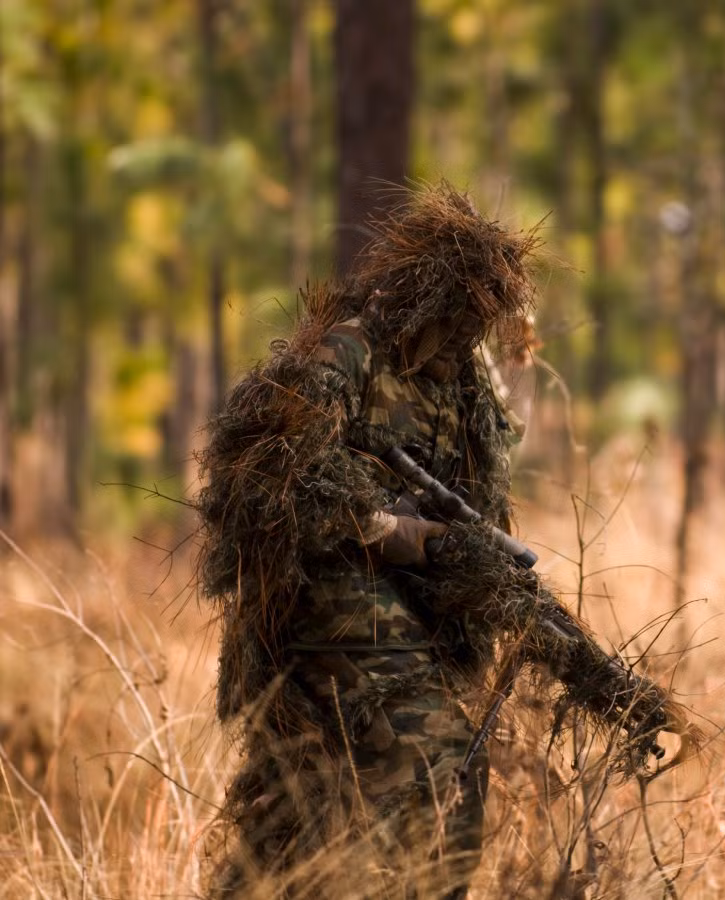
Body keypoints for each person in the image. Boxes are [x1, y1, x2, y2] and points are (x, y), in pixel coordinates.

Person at [197, 185, 685, 899]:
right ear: (429, 300)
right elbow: (281, 481)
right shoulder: (351, 350)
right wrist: (398, 535)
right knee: (427, 753)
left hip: (418, 597)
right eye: (457, 319)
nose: (464, 339)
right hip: (332, 593)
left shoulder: (463, 385)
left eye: (476, 325)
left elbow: (474, 521)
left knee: (441, 779)